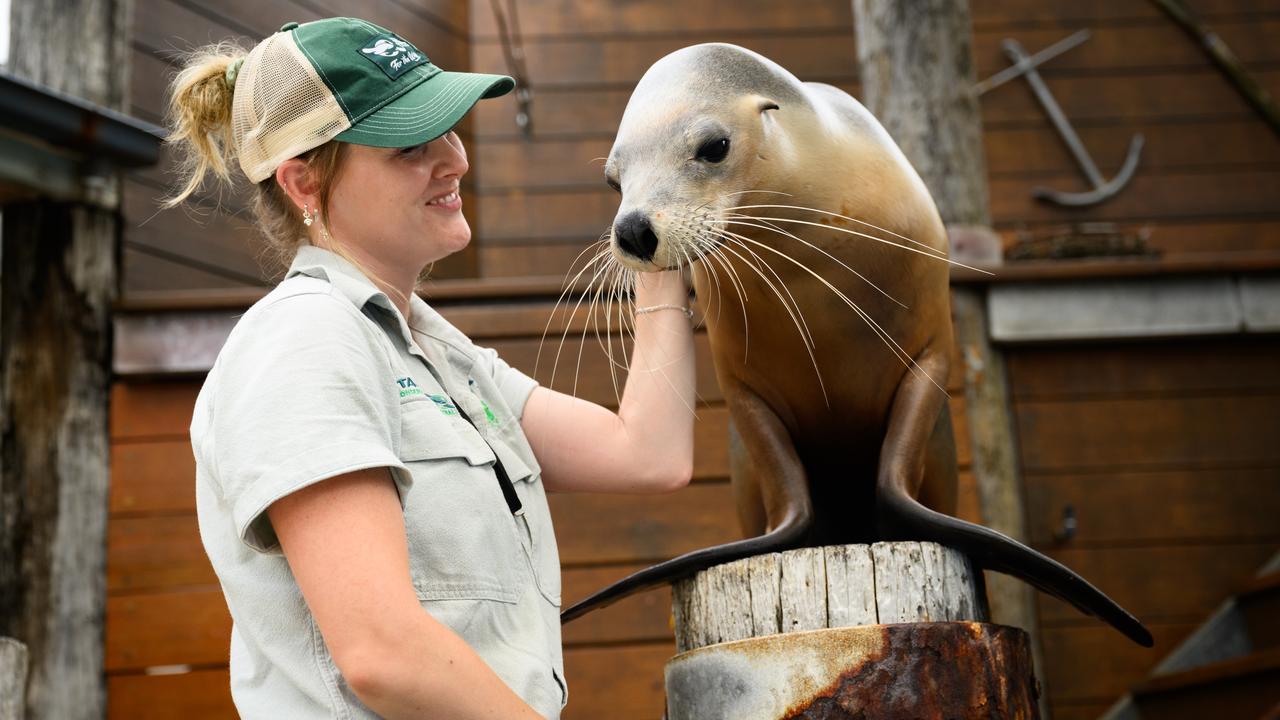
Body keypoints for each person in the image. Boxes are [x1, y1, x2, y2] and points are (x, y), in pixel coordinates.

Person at [167, 17, 695, 719]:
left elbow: (648, 453)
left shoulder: (434, 352)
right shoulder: (304, 342)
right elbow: (382, 651)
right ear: (303, 182)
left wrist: (660, 225)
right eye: (410, 144)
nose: (456, 159)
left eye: (450, 128)